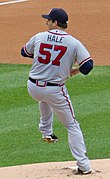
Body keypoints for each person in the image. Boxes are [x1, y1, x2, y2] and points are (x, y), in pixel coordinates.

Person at [21, 8, 94, 175]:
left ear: (55, 23)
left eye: (48, 20)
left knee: (44, 97)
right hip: (54, 90)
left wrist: (44, 60)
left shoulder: (39, 37)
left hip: (33, 87)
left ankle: (46, 131)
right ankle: (84, 165)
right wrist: (73, 70)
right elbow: (88, 66)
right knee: (72, 125)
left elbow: (24, 52)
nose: (46, 22)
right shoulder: (73, 42)